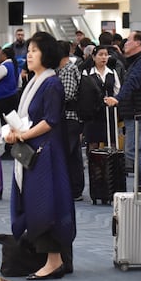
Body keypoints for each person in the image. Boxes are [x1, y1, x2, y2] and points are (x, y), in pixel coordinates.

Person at [4, 31, 75, 281]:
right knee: (34, 202)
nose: (29, 54)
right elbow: (30, 119)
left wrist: (22, 135)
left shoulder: (52, 83)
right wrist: (16, 132)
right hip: (33, 151)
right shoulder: (34, 82)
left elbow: (50, 121)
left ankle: (54, 262)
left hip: (46, 153)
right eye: (29, 50)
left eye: (35, 50)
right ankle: (52, 260)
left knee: (45, 203)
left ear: (47, 54)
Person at [104, 30, 141, 191]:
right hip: (137, 112)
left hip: (139, 113)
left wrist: (118, 98)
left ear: (137, 43)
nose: (125, 43)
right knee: (138, 150)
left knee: (133, 150)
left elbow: (133, 82)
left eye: (128, 40)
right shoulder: (139, 61)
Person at [56, 40, 84, 201]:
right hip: (71, 118)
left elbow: (68, 93)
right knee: (73, 155)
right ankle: (75, 189)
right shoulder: (67, 68)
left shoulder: (67, 70)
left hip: (69, 117)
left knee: (67, 154)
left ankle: (72, 189)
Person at [82, 46, 121, 150]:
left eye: (106, 55)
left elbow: (117, 91)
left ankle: (111, 165)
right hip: (93, 113)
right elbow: (85, 93)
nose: (104, 57)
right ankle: (93, 165)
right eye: (100, 55)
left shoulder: (112, 73)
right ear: (94, 57)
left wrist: (113, 100)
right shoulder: (87, 73)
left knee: (111, 141)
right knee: (93, 143)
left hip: (110, 111)